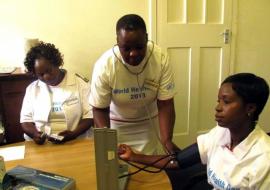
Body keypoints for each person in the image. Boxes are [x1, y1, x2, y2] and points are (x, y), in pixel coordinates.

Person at [118, 73, 270, 189]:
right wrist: (134, 156)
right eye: (219, 100)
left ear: (250, 108)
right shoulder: (220, 133)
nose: (217, 107)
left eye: (226, 101)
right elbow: (178, 160)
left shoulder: (264, 159)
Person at [89, 14, 177, 154]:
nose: (133, 54)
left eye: (139, 47)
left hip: (148, 125)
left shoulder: (160, 58)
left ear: (147, 38)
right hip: (116, 126)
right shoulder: (105, 65)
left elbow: (166, 104)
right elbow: (100, 109)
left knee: (149, 169)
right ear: (117, 42)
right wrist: (108, 143)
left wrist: (167, 141)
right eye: (126, 48)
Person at [20, 41, 93, 145]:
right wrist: (34, 134)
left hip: (75, 141)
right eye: (41, 74)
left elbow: (89, 116)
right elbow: (25, 120)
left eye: (49, 71)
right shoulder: (32, 89)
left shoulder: (80, 84)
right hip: (43, 145)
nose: (46, 77)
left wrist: (73, 134)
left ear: (57, 63)